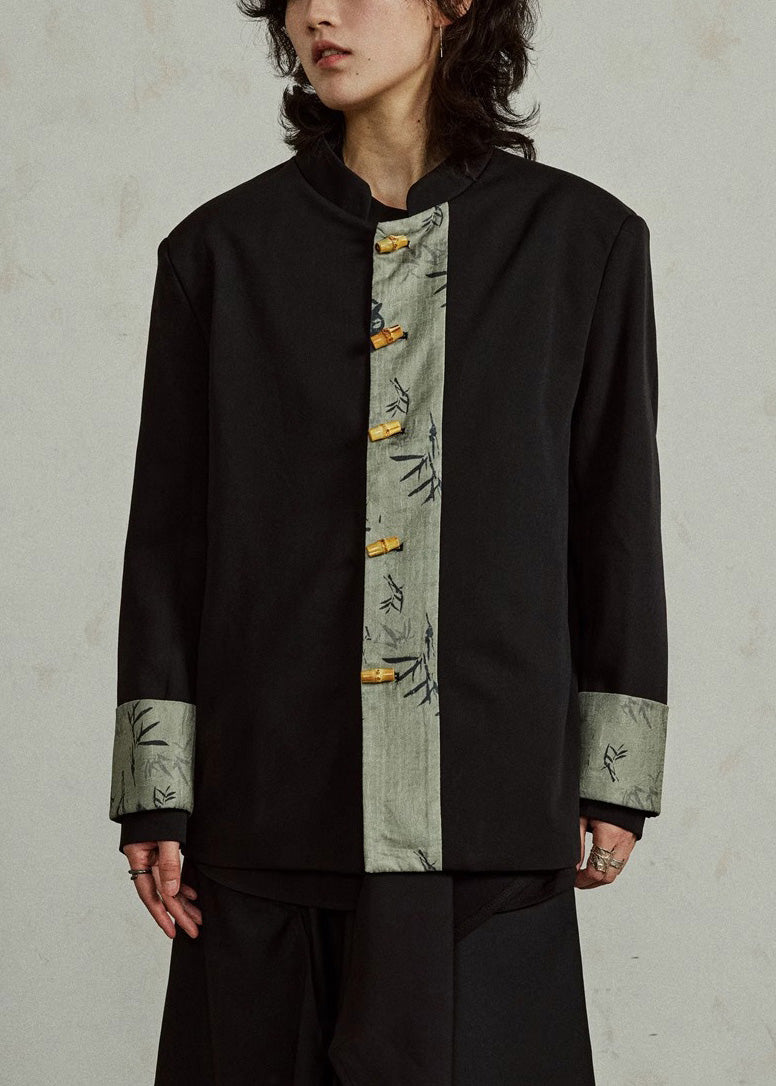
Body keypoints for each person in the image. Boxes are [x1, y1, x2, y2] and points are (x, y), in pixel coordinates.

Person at [109, 0, 669, 1082]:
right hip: (268, 811)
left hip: (489, 819)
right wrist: (154, 787)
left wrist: (613, 774)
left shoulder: (583, 243)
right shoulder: (218, 253)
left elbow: (612, 519)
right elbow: (170, 541)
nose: (316, 13)